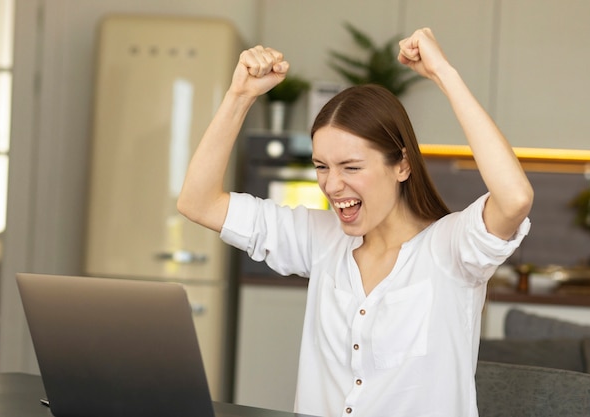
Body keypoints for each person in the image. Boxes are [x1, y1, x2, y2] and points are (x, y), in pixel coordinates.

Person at [178, 28, 533, 417]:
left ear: (402, 164)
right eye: (321, 167)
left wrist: (443, 74)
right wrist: (240, 96)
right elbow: (198, 202)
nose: (332, 184)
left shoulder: (452, 249)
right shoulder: (321, 239)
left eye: (351, 167)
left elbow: (514, 198)